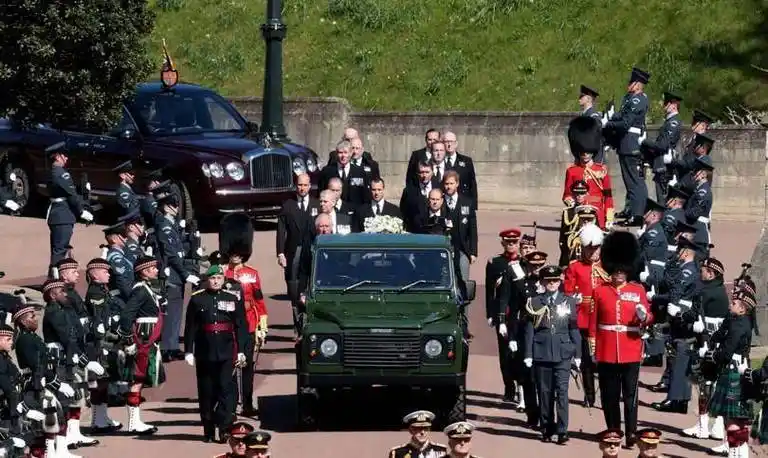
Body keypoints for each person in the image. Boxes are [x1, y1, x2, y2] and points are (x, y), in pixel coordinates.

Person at [589, 231, 652, 448]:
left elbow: (648, 316)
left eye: (622, 271)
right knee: (610, 395)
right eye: (616, 271)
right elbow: (593, 322)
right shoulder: (600, 292)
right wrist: (593, 346)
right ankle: (613, 429)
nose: (619, 275)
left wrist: (645, 317)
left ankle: (631, 432)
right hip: (607, 349)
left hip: (631, 347)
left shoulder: (637, 290)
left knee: (630, 395)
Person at [184, 264, 248, 443]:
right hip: (205, 351)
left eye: (219, 278)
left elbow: (240, 325)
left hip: (227, 350)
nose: (216, 281)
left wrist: (242, 350)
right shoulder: (197, 299)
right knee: (206, 391)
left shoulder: (232, 298)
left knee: (226, 390)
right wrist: (188, 350)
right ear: (207, 280)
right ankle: (208, 429)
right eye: (212, 278)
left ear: (223, 279)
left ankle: (225, 427)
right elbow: (190, 327)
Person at [523, 265, 580, 444]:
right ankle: (547, 428)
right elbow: (529, 330)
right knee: (544, 392)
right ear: (542, 282)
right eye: (548, 281)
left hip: (563, 353)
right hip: (541, 352)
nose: (552, 284)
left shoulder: (568, 301)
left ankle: (563, 430)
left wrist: (578, 354)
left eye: (555, 281)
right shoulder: (534, 302)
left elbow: (574, 329)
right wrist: (528, 353)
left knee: (562, 392)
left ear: (560, 282)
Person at [699, 289, 755, 456]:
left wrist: (710, 355)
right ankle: (741, 452)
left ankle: (733, 452)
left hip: (732, 371)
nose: (730, 304)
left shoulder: (738, 325)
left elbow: (726, 352)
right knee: (740, 419)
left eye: (734, 303)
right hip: (739, 369)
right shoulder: (741, 321)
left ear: (743, 309)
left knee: (731, 419)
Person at [220, 212, 264, 417]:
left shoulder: (252, 274)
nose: (236, 255)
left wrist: (262, 323)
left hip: (249, 323)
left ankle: (247, 402)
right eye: (233, 252)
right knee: (229, 367)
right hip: (228, 325)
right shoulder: (221, 274)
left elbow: (259, 300)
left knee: (248, 366)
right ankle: (231, 403)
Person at [115, 256, 165, 435]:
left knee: (140, 379)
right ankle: (132, 422)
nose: (156, 271)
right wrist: (129, 340)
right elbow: (127, 315)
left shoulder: (147, 289)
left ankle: (135, 420)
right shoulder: (140, 291)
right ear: (144, 271)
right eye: (153, 268)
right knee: (137, 379)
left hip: (148, 337)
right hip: (143, 338)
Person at [682, 257, 729, 440]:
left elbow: (694, 314)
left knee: (703, 385)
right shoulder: (720, 291)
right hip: (718, 344)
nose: (700, 272)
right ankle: (716, 427)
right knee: (715, 385)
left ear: (711, 273)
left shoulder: (705, 293)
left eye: (703, 270)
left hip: (706, 342)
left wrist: (682, 316)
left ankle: (702, 427)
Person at [563, 222, 609, 407]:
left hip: (604, 318)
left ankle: (607, 396)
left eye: (595, 249)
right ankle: (589, 396)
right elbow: (567, 291)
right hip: (584, 317)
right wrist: (575, 299)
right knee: (587, 362)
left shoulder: (608, 265)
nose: (592, 253)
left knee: (605, 361)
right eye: (589, 250)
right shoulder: (575, 267)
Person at [154, 191, 201, 361]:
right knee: (172, 312)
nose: (176, 208)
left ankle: (172, 346)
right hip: (172, 274)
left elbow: (179, 249)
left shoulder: (171, 224)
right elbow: (171, 254)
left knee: (176, 312)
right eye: (173, 205)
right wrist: (186, 274)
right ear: (166, 207)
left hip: (177, 273)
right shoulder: (164, 226)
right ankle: (167, 347)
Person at [604, 67, 650, 226]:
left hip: (629, 142)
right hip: (626, 142)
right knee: (632, 180)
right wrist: (612, 115)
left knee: (633, 182)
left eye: (631, 82)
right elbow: (622, 115)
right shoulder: (631, 98)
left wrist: (608, 124)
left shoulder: (638, 100)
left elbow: (625, 123)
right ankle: (636, 212)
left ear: (638, 84)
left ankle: (637, 215)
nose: (628, 85)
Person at [83, 257, 124, 434]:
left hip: (106, 342)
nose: (108, 273)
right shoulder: (95, 293)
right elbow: (98, 317)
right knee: (99, 382)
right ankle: (97, 421)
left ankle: (102, 417)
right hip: (99, 343)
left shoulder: (102, 290)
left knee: (105, 381)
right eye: (105, 271)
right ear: (94, 274)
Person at [12, 299, 57, 458]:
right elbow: (35, 363)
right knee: (36, 425)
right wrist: (46, 377)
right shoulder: (26, 339)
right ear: (23, 321)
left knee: (47, 419)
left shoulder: (31, 337)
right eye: (32, 316)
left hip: (39, 381)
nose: (35, 319)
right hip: (33, 384)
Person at [45, 141, 93, 277]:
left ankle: (53, 278)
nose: (66, 158)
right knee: (60, 250)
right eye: (64, 155)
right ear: (57, 156)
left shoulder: (53, 172)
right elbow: (70, 194)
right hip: (63, 214)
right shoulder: (61, 173)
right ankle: (54, 281)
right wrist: (81, 211)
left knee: (58, 249)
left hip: (58, 213)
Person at [485, 229, 523, 401]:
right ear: (503, 243)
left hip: (519, 313)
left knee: (519, 352)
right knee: (504, 354)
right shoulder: (495, 263)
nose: (511, 245)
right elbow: (489, 291)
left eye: (514, 242)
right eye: (508, 242)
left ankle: (521, 386)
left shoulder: (524, 262)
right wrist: (490, 314)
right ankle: (509, 387)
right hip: (503, 314)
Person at [563, 116, 614, 229]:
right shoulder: (572, 171)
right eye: (582, 152)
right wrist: (571, 201)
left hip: (598, 213)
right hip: (578, 213)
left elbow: (608, 197)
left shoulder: (602, 171)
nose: (585, 154)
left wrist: (609, 217)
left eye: (588, 151)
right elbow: (567, 194)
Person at [641, 92, 682, 202]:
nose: (664, 106)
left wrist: (645, 142)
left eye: (666, 103)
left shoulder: (673, 122)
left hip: (665, 166)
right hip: (662, 164)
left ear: (673, 105)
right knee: (661, 197)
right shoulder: (669, 121)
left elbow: (663, 146)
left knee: (663, 199)